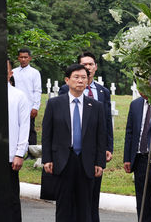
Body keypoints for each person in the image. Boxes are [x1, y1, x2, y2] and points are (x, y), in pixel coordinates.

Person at [42, 63, 107, 222]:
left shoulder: (96, 106)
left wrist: (100, 162)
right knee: (63, 206)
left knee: (85, 206)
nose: (80, 81)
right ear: (67, 80)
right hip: (63, 160)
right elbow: (47, 134)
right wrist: (47, 159)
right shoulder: (54, 104)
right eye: (76, 77)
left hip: (87, 162)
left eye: (83, 77)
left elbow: (101, 136)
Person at [58, 52, 114, 222]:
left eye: (91, 64)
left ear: (95, 67)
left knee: (92, 196)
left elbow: (106, 123)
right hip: (71, 152)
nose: (88, 68)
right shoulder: (65, 90)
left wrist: (107, 147)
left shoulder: (103, 92)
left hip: (94, 151)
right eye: (85, 65)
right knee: (71, 198)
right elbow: (62, 122)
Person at [7, 60, 30, 222]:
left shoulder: (18, 96)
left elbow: (24, 127)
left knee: (11, 200)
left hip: (10, 157)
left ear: (10, 73)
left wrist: (19, 153)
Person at [11, 48, 42, 146]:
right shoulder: (13, 72)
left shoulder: (34, 73)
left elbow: (37, 90)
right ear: (18, 58)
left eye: (25, 57)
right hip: (15, 105)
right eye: (21, 57)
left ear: (30, 58)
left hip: (29, 106)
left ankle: (31, 152)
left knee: (29, 129)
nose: (23, 59)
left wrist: (35, 107)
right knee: (15, 128)